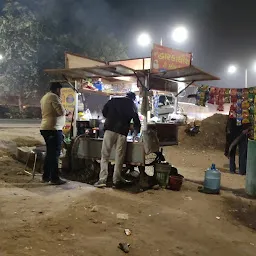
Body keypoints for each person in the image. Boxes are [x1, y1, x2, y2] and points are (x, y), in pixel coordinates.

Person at [94, 92, 141, 188]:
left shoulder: (114, 100)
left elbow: (104, 112)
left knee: (105, 155)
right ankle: (116, 180)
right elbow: (137, 121)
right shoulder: (132, 105)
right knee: (119, 156)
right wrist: (136, 133)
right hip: (122, 132)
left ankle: (102, 179)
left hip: (110, 129)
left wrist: (111, 118)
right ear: (133, 98)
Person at [40, 82, 67, 185]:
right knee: (55, 154)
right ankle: (54, 178)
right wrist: (65, 111)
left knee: (50, 153)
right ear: (57, 89)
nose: (60, 92)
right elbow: (61, 112)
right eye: (60, 90)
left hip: (46, 128)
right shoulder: (54, 97)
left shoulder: (45, 97)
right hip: (53, 129)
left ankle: (46, 176)